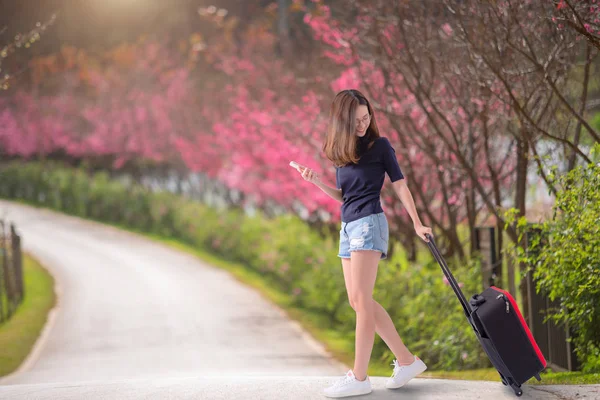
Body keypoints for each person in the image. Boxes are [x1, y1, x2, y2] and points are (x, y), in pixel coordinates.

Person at [293, 89, 432, 398]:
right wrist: (315, 180)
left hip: (369, 224)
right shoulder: (340, 153)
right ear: (343, 121)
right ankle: (407, 361)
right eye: (356, 120)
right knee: (359, 302)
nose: (363, 124)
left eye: (367, 118)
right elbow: (345, 197)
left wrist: (416, 222)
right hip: (348, 227)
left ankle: (359, 377)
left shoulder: (380, 146)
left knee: (362, 300)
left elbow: (400, 185)